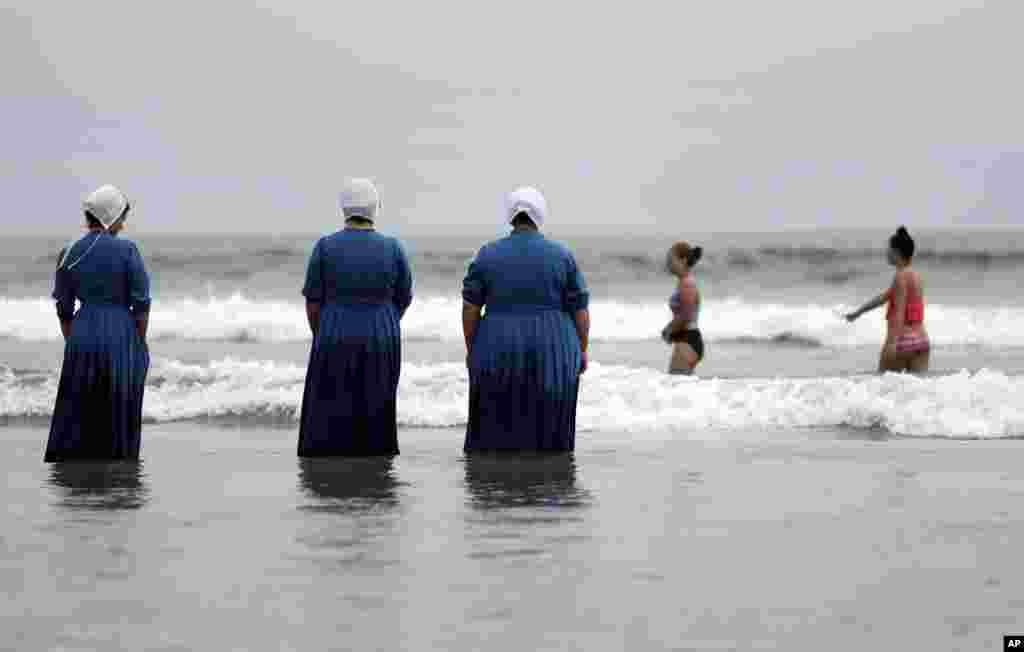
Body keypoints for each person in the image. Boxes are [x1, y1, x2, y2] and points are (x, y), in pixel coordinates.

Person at [462, 187, 590, 452]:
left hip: (496, 343)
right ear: (540, 214)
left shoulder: (487, 254)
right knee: (550, 427)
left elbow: (470, 308)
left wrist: (472, 348)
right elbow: (580, 310)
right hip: (555, 346)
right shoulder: (562, 255)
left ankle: (496, 482)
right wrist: (582, 349)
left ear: (511, 215)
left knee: (496, 424)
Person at [297, 179, 413, 456]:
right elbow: (404, 296)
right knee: (377, 402)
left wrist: (322, 332)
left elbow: (313, 302)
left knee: (331, 402)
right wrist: (387, 321)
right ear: (375, 208)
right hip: (382, 333)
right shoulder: (393, 248)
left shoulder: (324, 247)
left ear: (343, 208)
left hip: (334, 331)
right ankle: (375, 456)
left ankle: (330, 457)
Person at [45, 185, 151, 462]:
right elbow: (141, 304)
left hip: (82, 333)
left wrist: (76, 341)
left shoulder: (68, 252)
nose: (123, 224)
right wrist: (139, 343)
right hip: (120, 332)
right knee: (119, 404)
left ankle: (78, 466)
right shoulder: (128, 249)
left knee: (81, 406)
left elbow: (63, 309)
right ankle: (117, 462)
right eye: (121, 217)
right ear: (109, 216)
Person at [845, 226, 929, 373]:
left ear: (896, 252)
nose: (886, 252)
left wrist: (892, 345)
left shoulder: (900, 277)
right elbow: (883, 298)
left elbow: (899, 313)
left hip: (901, 341)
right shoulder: (916, 276)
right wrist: (858, 312)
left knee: (884, 389)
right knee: (917, 391)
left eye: (888, 249)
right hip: (921, 341)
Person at [661, 241, 704, 375]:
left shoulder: (687, 284)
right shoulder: (682, 282)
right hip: (684, 339)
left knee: (676, 387)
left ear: (683, 260)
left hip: (688, 340)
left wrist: (669, 330)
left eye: (670, 260)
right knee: (682, 388)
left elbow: (686, 315)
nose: (668, 263)